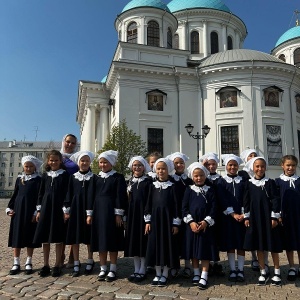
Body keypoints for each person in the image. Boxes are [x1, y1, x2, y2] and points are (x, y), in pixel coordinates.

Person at [243, 157, 282, 286]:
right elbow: (246, 202)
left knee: (273, 246)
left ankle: (277, 271)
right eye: (257, 166)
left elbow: (275, 200)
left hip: (268, 218)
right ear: (253, 168)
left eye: (262, 166)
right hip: (255, 218)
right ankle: (263, 270)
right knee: (259, 245)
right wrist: (247, 217)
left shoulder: (270, 182)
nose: (260, 169)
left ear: (266, 167)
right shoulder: (249, 183)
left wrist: (274, 217)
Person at [89, 150, 127, 282]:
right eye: (101, 162)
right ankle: (103, 267)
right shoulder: (96, 178)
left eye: (105, 162)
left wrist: (118, 214)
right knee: (101, 241)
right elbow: (91, 196)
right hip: (98, 212)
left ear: (111, 163)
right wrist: (90, 213)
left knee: (112, 241)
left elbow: (120, 196)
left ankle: (113, 268)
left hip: (111, 212)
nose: (103, 164)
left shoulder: (118, 177)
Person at [144, 158, 180, 287]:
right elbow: (148, 204)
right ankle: (157, 273)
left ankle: (165, 273)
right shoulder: (152, 186)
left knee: (166, 246)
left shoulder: (172, 186)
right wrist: (147, 221)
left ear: (168, 170)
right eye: (158, 168)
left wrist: (176, 223)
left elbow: (176, 206)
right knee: (155, 246)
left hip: (167, 221)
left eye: (163, 169)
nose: (161, 171)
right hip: (155, 221)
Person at [34, 150, 69, 277]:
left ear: (60, 161)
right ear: (48, 161)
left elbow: (67, 194)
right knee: (45, 238)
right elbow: (40, 193)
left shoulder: (65, 175)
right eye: (51, 160)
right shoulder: (45, 175)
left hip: (58, 209)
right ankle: (46, 264)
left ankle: (57, 264)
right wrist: (38, 210)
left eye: (56, 160)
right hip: (46, 208)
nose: (53, 162)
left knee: (58, 237)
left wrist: (66, 210)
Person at [182, 162, 216, 290]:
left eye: (201, 175)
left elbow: (214, 207)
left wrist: (206, 221)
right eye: (196, 176)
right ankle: (196, 273)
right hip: (192, 226)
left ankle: (204, 274)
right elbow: (184, 208)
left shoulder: (210, 190)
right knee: (194, 251)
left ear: (205, 175)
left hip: (205, 226)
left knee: (204, 251)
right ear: (192, 176)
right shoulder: (189, 190)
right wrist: (191, 222)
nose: (199, 178)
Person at [6, 155, 43, 275]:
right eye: (26, 166)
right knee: (17, 236)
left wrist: (36, 211)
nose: (28, 168)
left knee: (29, 236)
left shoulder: (38, 180)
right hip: (18, 211)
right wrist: (9, 208)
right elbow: (15, 194)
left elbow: (39, 197)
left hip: (30, 212)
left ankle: (29, 261)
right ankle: (16, 262)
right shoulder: (19, 179)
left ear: (35, 167)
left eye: (31, 166)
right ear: (23, 167)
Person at [63, 151, 96, 277]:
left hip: (89, 210)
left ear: (90, 162)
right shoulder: (73, 177)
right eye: (82, 160)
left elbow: (94, 195)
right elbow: (68, 194)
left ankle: (90, 260)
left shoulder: (94, 177)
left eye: (87, 161)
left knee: (88, 238)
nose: (85, 163)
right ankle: (76, 262)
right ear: (78, 162)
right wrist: (66, 210)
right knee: (75, 238)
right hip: (76, 210)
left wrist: (91, 212)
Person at [239, 148, 269, 272]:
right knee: (251, 235)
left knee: (263, 236)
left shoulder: (261, 172)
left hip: (261, 209)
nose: (253, 157)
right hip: (249, 208)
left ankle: (265, 261)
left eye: (254, 155)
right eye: (250, 156)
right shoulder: (243, 174)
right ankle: (254, 258)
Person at [218, 154, 246, 282]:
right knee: (230, 244)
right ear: (226, 166)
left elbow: (246, 198)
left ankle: (240, 270)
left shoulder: (243, 181)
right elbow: (221, 199)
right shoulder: (221, 181)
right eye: (230, 165)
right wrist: (232, 214)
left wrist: (243, 214)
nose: (233, 167)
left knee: (240, 244)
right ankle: (232, 269)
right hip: (228, 218)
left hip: (242, 217)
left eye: (235, 165)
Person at [125, 156, 152, 283]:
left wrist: (148, 219)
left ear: (144, 167)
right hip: (132, 216)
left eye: (140, 165)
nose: (137, 167)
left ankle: (143, 269)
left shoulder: (148, 182)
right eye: (135, 165)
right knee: (134, 242)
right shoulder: (129, 182)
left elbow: (149, 201)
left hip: (142, 216)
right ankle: (136, 268)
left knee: (143, 242)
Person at [167, 152, 193, 278]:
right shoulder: (170, 180)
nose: (179, 165)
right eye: (176, 163)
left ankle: (188, 265)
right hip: (174, 213)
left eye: (181, 163)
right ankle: (174, 265)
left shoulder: (189, 180)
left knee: (186, 240)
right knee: (174, 240)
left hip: (187, 213)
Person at [275, 155, 300, 281]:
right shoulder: (278, 182)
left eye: (293, 165)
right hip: (286, 217)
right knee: (289, 243)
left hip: (299, 216)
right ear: (282, 166)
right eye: (288, 165)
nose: (290, 168)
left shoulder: (299, 180)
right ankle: (292, 267)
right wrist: (278, 215)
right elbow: (276, 200)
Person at [200, 152, 224, 277]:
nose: (211, 166)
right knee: (207, 239)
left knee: (216, 240)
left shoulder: (221, 179)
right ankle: (206, 263)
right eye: (209, 164)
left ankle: (216, 262)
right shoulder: (204, 178)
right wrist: (202, 165)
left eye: (214, 164)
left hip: (218, 213)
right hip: (206, 214)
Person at [60, 134, 79, 268]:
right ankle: (60, 255)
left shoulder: (77, 158)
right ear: (64, 142)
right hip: (59, 195)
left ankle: (72, 257)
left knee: (72, 227)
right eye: (68, 142)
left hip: (73, 196)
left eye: (73, 143)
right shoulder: (57, 156)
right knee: (60, 227)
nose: (70, 145)